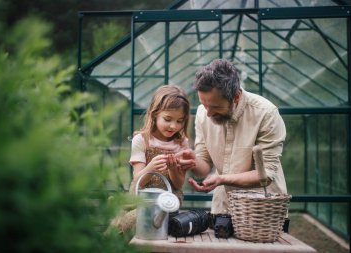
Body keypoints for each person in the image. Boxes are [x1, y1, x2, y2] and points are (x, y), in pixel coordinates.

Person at [177, 59, 287, 215]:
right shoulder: (203, 114)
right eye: (204, 104)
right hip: (223, 208)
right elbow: (205, 165)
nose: (208, 113)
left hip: (263, 211)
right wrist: (192, 161)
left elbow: (266, 174)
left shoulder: (266, 114)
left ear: (236, 97)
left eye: (215, 107)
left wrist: (221, 179)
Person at [108, 84, 191, 234]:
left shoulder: (182, 143)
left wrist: (173, 169)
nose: (173, 126)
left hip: (167, 200)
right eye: (168, 119)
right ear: (154, 114)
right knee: (125, 216)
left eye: (180, 121)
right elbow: (138, 180)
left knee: (138, 219)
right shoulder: (141, 140)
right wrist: (152, 167)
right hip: (141, 195)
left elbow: (178, 184)